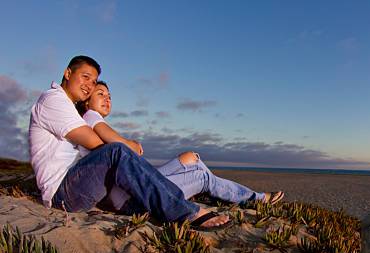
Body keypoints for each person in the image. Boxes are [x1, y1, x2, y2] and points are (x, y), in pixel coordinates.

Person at [28, 55, 229, 229]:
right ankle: (186, 213)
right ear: (67, 73)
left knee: (122, 158)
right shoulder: (53, 100)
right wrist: (127, 149)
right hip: (63, 194)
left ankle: (171, 201)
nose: (89, 85)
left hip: (75, 185)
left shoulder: (67, 105)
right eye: (85, 77)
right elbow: (95, 143)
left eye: (93, 81)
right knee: (116, 151)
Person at [75, 81, 285, 210]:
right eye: (100, 94)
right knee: (201, 175)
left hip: (131, 187)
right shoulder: (91, 117)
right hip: (131, 196)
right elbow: (122, 146)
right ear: (86, 101)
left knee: (192, 159)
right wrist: (132, 143)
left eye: (110, 96)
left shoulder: (91, 120)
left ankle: (221, 190)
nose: (107, 99)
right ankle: (255, 198)